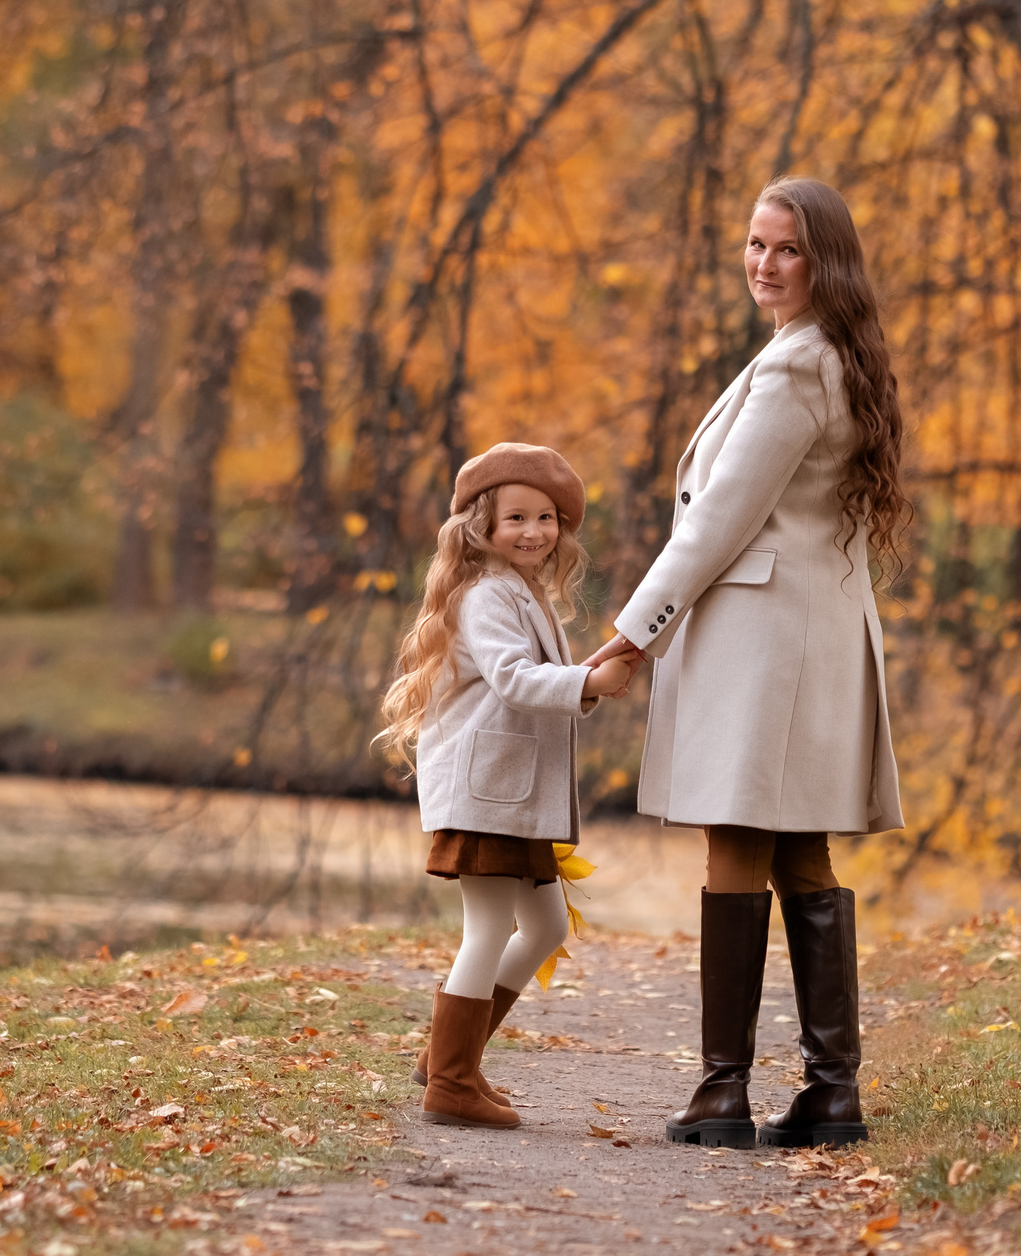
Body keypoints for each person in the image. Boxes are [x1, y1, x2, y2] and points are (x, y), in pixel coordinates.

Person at [585, 177, 907, 1149]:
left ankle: (724, 1090)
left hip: (768, 640)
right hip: (801, 631)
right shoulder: (821, 357)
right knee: (799, 846)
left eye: (787, 250)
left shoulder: (795, 371)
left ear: (825, 262)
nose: (763, 264)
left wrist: (635, 632)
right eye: (755, 244)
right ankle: (829, 1089)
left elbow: (718, 521)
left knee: (736, 838)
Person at [380, 443, 635, 1128]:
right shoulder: (488, 593)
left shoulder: (524, 592)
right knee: (490, 926)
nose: (534, 530)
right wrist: (585, 681)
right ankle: (452, 1084)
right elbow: (514, 679)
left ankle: (446, 1058)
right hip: (487, 793)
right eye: (516, 516)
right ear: (480, 525)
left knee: (545, 924)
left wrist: (589, 674)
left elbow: (527, 682)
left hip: (513, 796)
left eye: (546, 517)